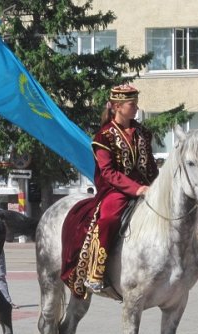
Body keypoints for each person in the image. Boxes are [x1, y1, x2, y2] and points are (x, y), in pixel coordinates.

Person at [61, 85, 159, 298]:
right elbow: (108, 173)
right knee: (108, 217)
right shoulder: (103, 136)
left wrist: (157, 186)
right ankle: (96, 272)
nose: (136, 108)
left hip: (145, 187)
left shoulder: (142, 132)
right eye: (132, 104)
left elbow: (150, 165)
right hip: (116, 190)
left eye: (135, 103)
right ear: (117, 107)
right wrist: (136, 188)